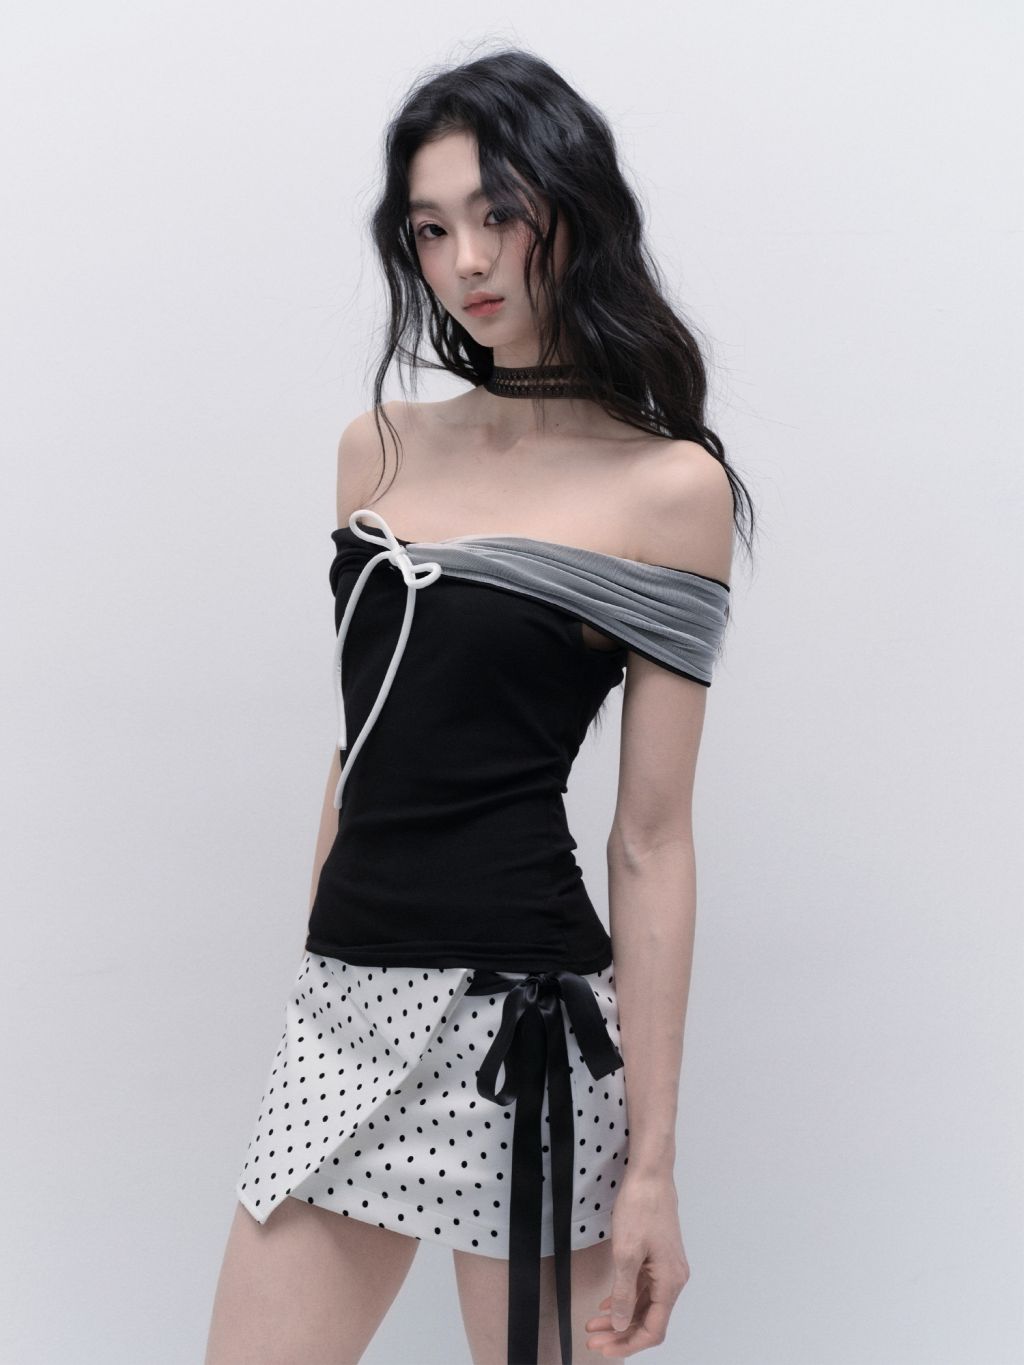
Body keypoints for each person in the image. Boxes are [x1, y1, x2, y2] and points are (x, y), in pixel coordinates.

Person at [205, 45, 754, 1365]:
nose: (467, 260)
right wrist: (320, 974)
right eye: (432, 228)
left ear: (574, 206)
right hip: (346, 1008)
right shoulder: (379, 448)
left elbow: (652, 840)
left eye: (499, 214)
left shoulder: (668, 489)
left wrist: (653, 1170)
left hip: (526, 1029)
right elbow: (365, 746)